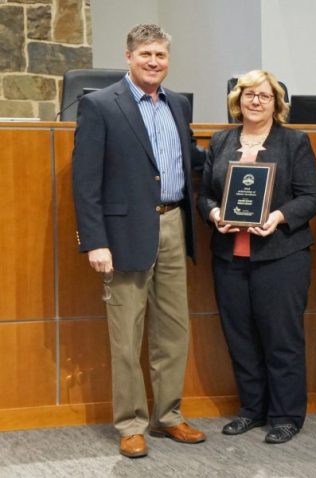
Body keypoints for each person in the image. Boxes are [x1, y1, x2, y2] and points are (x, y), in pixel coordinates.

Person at [72, 24, 205, 458]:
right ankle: (130, 424)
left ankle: (169, 416)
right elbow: (85, 182)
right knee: (126, 335)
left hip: (173, 224)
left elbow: (189, 159)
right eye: (146, 54)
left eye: (161, 55)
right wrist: (95, 241)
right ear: (128, 56)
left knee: (174, 330)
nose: (154, 62)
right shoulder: (99, 105)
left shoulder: (178, 104)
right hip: (123, 233)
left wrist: (236, 154)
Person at [198, 70, 316, 445]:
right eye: (248, 94)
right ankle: (252, 409)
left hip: (281, 256)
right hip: (230, 257)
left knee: (281, 337)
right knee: (240, 337)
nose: (255, 101)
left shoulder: (294, 142)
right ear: (237, 101)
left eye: (264, 96)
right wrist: (214, 213)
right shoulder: (220, 142)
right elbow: (204, 194)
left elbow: (312, 197)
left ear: (277, 104)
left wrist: (278, 217)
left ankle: (286, 415)